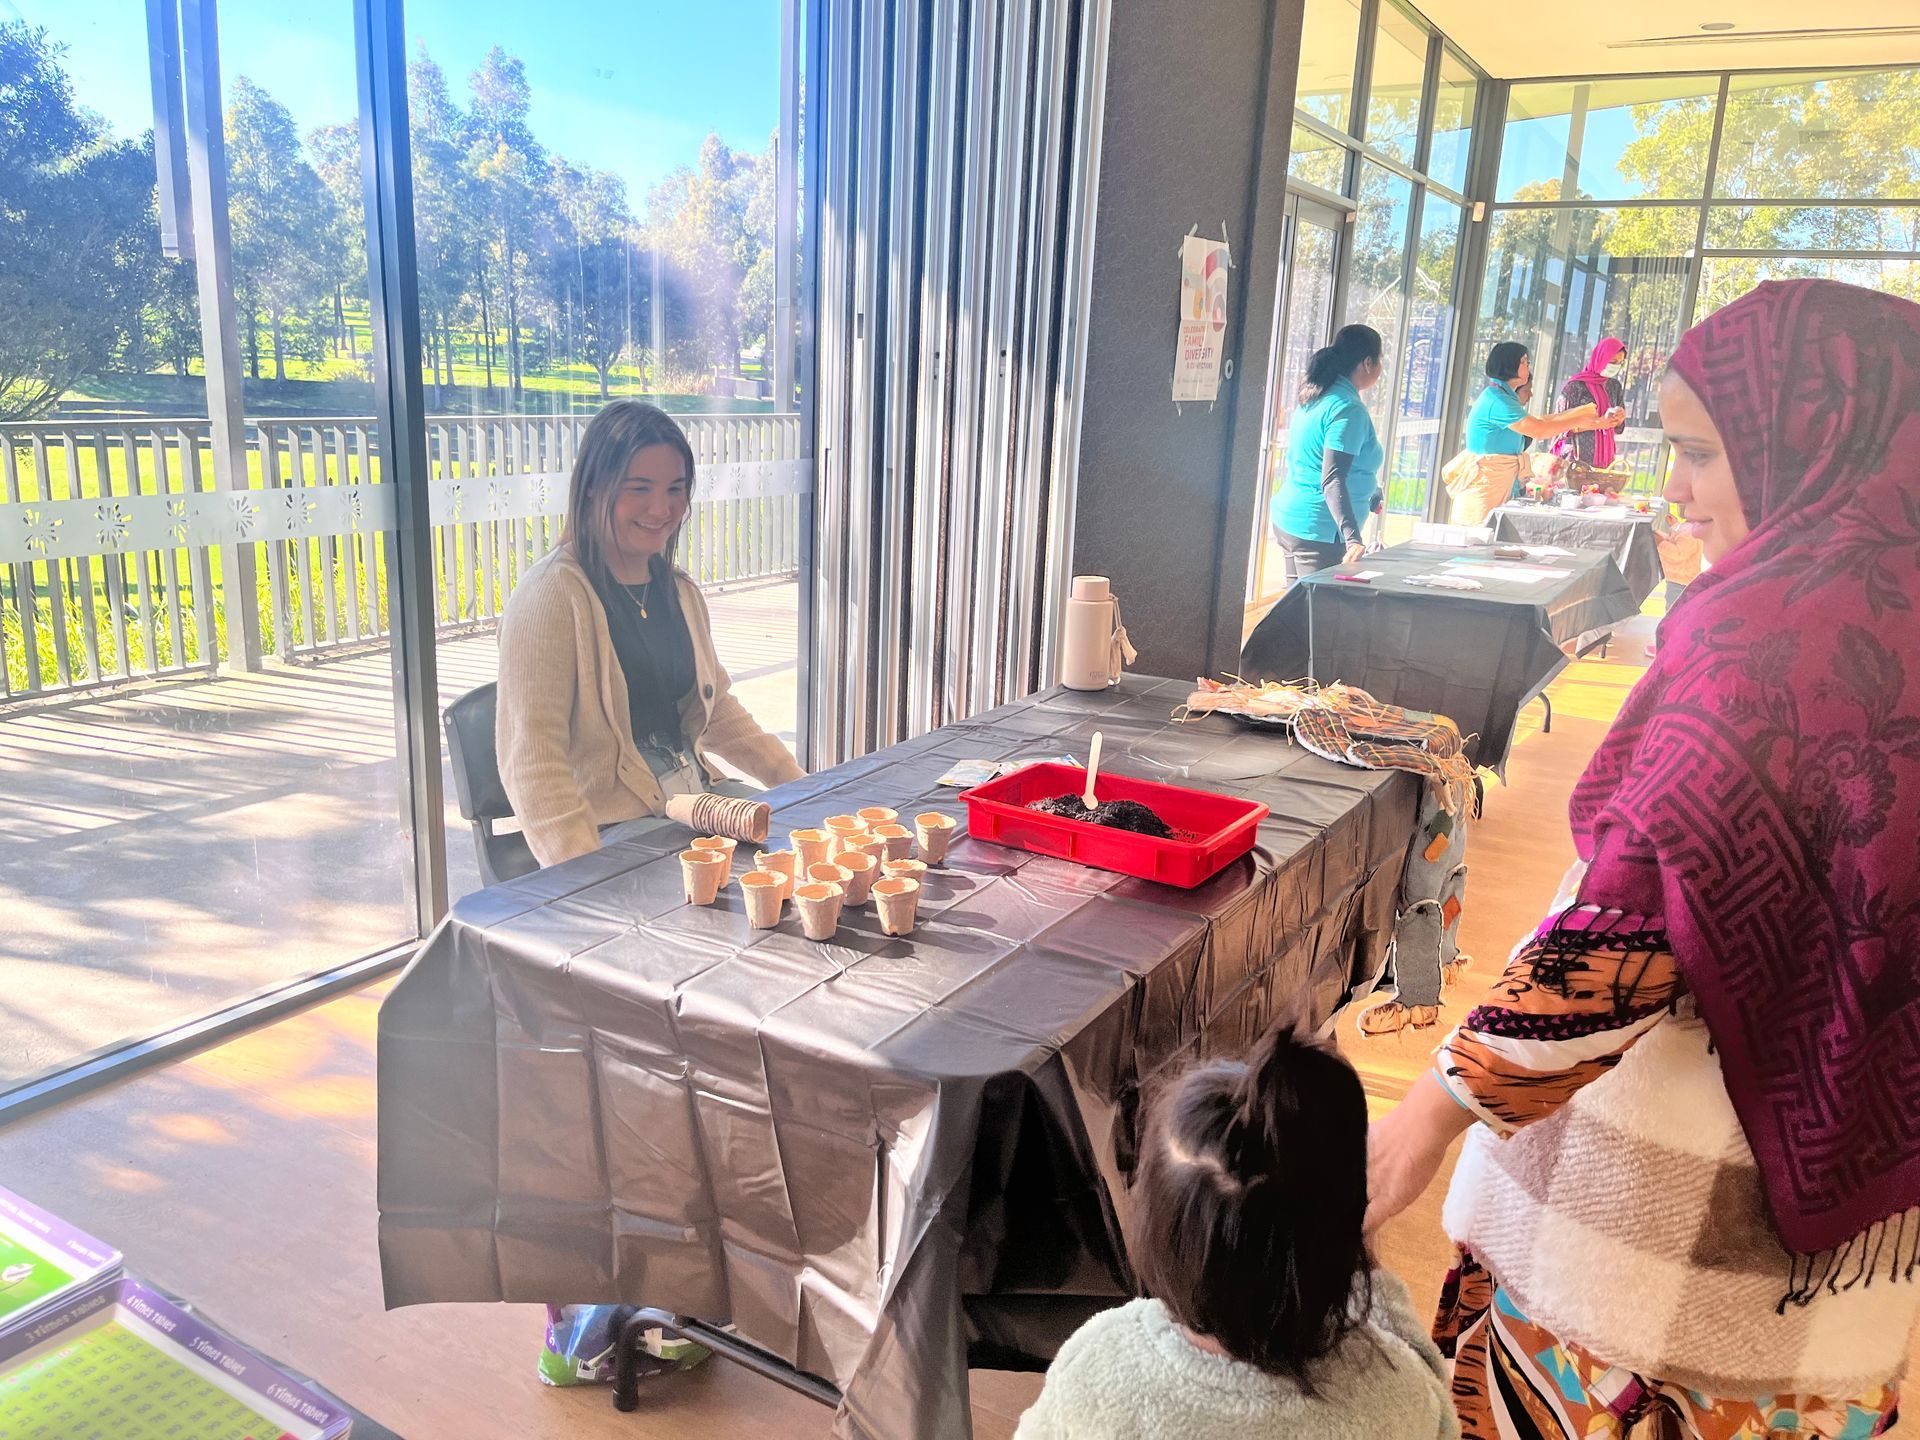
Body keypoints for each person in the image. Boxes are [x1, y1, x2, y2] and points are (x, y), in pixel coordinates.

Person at [1365, 280, 1920, 1439]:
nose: (1677, 487)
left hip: (1654, 1259)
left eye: (1707, 453)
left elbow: (1630, 931)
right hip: (1839, 1293)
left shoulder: (1770, 635)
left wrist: (1425, 1115)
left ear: (1814, 444)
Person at [1015, 1026, 1458, 1440]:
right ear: (1344, 1239)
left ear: (1157, 1236)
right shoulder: (1397, 1395)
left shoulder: (1097, 1363)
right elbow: (1437, 1408)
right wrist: (1366, 1273)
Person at [496, 400, 804, 869]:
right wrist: (579, 882)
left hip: (697, 803)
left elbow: (715, 709)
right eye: (639, 488)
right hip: (611, 829)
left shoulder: (677, 588)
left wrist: (800, 784)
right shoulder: (551, 596)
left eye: (675, 489)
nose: (662, 508)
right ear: (595, 487)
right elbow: (534, 763)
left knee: (815, 852)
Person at [1442, 342, 1616, 526]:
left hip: (1499, 483)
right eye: (1524, 361)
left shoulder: (1503, 396)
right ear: (1509, 365)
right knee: (1479, 542)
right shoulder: (1496, 400)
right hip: (1487, 486)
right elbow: (1539, 430)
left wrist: (1584, 415)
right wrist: (1579, 418)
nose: (1528, 366)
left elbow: (1539, 422)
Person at [1271, 325, 1386, 586]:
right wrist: (1352, 537)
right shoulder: (1348, 409)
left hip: (1294, 520)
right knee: (1321, 619)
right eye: (1380, 362)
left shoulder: (1319, 395)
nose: (1380, 370)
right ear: (1368, 363)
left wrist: (1369, 490)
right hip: (1320, 531)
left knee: (1298, 613)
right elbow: (1332, 478)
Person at [1551, 336, 1630, 470]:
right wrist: (1598, 424)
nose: (1615, 366)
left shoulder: (1614, 386)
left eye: (1620, 363)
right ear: (1601, 357)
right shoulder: (1576, 387)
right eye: (1612, 361)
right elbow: (1559, 426)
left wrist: (1619, 418)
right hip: (1575, 462)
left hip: (1605, 463)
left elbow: (1618, 427)